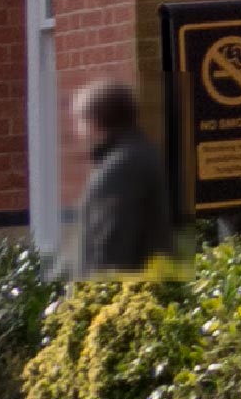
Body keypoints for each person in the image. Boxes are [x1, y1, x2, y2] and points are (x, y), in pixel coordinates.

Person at [69, 79, 177, 276]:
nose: (77, 131)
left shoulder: (118, 169)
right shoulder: (143, 153)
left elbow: (110, 242)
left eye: (80, 121)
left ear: (96, 121)